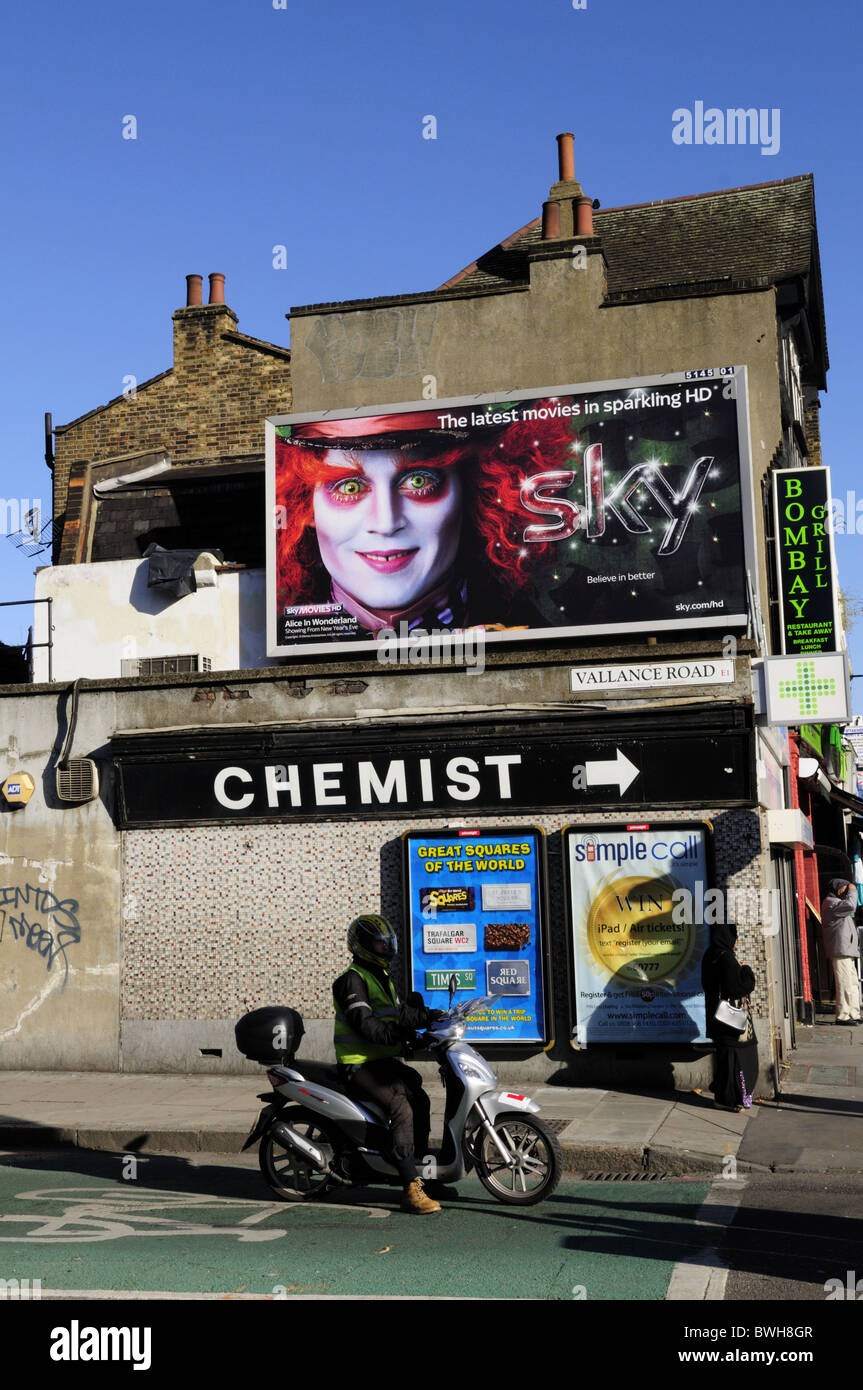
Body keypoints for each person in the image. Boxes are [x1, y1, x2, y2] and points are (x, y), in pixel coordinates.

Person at [273, 408, 571, 638]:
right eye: (349, 487)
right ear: (303, 506)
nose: (386, 523)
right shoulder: (279, 643)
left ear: (473, 490)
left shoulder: (539, 631)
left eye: (419, 481)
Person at [332, 913, 445, 1214]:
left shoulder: (380, 977)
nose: (385, 948)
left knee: (419, 1096)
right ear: (362, 946)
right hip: (358, 1064)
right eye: (379, 944)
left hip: (379, 1060)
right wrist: (402, 1034)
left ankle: (420, 1173)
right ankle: (410, 1188)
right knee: (400, 1104)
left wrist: (430, 1017)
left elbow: (399, 1013)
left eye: (387, 943)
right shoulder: (351, 981)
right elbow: (366, 1026)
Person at [701, 922, 758, 1111]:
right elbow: (738, 987)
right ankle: (728, 1100)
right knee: (734, 1061)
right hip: (730, 1021)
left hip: (716, 1016)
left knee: (724, 1059)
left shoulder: (709, 955)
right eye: (735, 936)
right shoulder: (726, 958)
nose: (737, 941)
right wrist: (746, 970)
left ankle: (725, 1097)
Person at [820, 878, 861, 1025]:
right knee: (844, 983)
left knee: (853, 982)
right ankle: (843, 1016)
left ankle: (853, 1013)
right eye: (844, 888)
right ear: (838, 889)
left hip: (846, 949)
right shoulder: (831, 903)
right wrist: (853, 889)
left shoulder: (836, 903)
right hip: (840, 950)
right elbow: (851, 905)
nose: (847, 890)